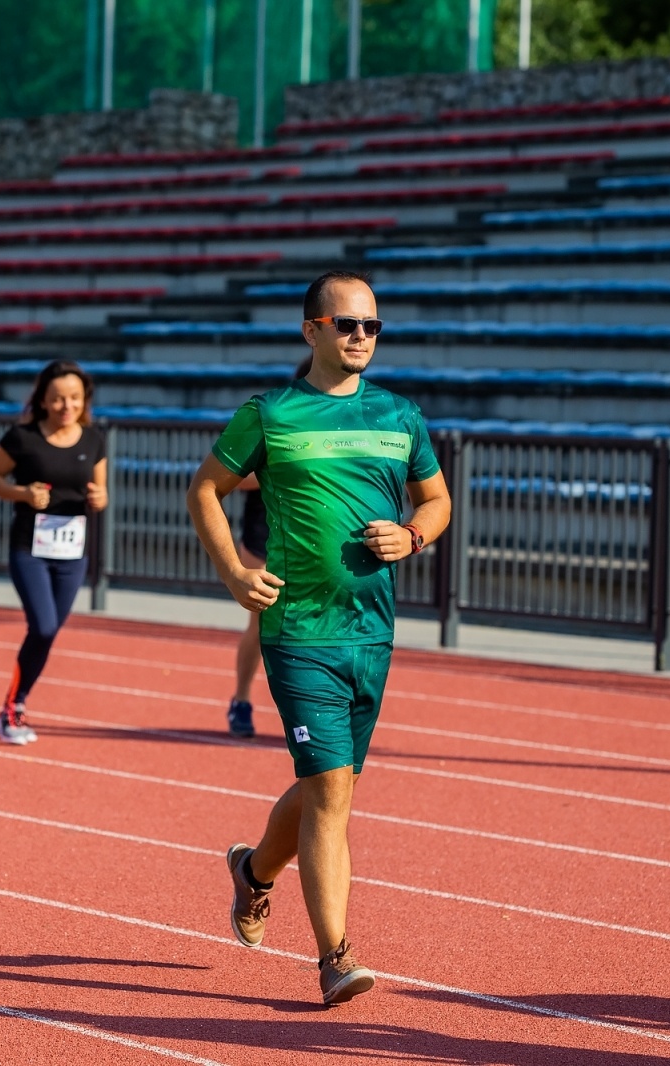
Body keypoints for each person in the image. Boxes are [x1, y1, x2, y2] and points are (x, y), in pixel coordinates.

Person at [186, 270, 451, 1006]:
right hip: (299, 629)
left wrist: (414, 534)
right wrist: (236, 572)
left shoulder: (400, 415)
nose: (361, 336)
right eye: (347, 325)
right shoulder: (270, 414)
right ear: (312, 332)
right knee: (333, 792)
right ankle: (336, 958)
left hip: (373, 632)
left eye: (371, 326)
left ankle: (253, 872)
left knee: (328, 786)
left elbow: (435, 498)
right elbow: (203, 489)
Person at [0, 360, 108, 745]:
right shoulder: (22, 438)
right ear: (43, 400)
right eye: (57, 399)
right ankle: (12, 708)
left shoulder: (93, 439)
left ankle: (15, 703)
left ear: (84, 400)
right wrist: (23, 493)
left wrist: (100, 498)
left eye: (73, 398)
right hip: (30, 548)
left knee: (48, 633)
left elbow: (100, 494)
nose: (66, 406)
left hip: (73, 551)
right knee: (44, 626)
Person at [225, 355, 312, 739]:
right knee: (261, 623)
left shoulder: (349, 425)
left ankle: (308, 713)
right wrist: (278, 472)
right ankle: (242, 699)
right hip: (266, 539)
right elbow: (229, 479)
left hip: (313, 546)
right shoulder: (273, 417)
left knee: (312, 628)